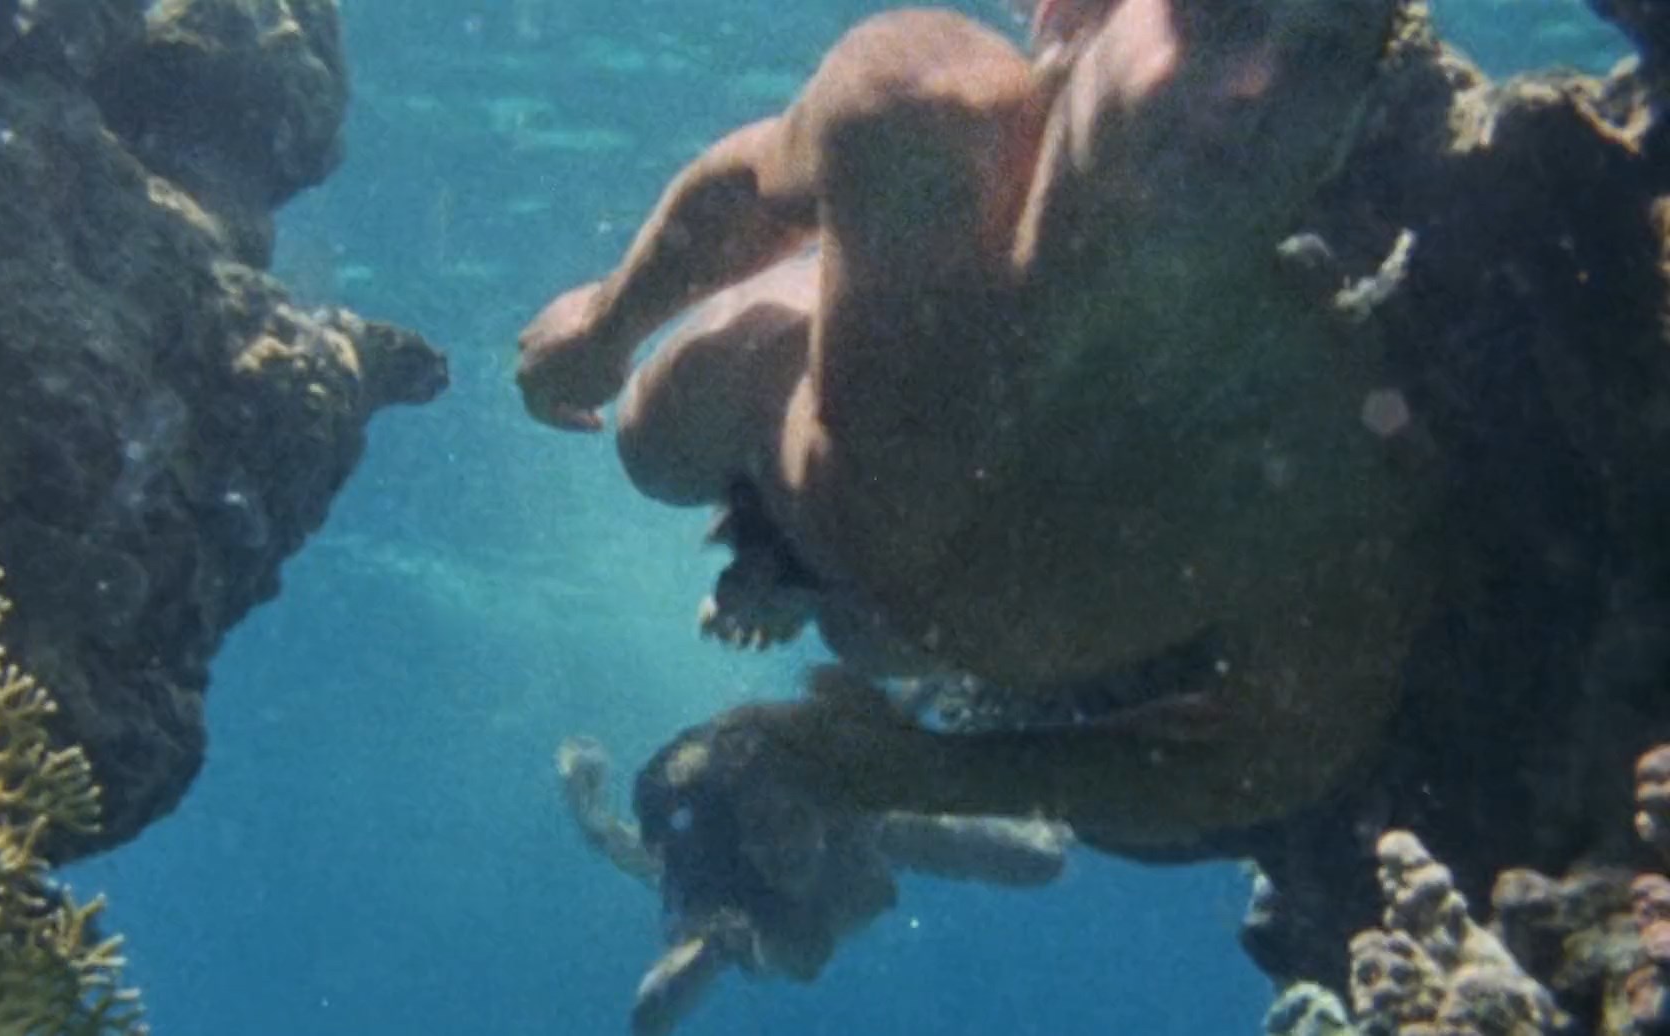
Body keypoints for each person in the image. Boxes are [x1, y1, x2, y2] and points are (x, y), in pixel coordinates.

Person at [517, 0, 1428, 843]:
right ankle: (767, 529)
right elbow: (758, 180)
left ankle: (795, 582)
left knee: (870, 644)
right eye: (1220, 14)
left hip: (920, 628)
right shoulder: (920, 117)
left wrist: (926, 774)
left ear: (1352, 124)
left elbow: (1281, 749)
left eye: (1326, 57)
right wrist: (606, 326)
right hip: (783, 445)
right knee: (652, 445)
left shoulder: (1312, 446)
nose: (1261, 89)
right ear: (1071, 15)